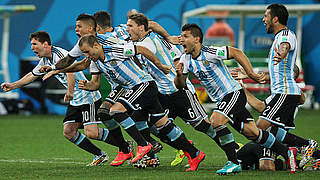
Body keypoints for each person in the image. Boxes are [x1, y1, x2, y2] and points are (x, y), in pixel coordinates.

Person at [175, 23, 297, 175]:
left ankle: (233, 162)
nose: (181, 39)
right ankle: (288, 153)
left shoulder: (210, 52)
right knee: (253, 133)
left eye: (186, 36)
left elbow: (237, 53)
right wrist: (179, 75)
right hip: (223, 100)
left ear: (197, 39)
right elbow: (180, 85)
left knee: (216, 120)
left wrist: (251, 74)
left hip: (234, 93)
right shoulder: (185, 59)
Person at [77, 34, 205, 171]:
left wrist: (160, 65)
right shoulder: (95, 61)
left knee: (115, 110)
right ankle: (194, 153)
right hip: (138, 89)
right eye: (84, 53)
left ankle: (143, 145)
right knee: (161, 125)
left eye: (87, 51)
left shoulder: (115, 50)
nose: (86, 55)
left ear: (96, 45)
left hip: (144, 85)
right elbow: (95, 84)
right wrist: (87, 86)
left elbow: (141, 49)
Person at [126, 13, 231, 168]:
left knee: (202, 126)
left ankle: (233, 149)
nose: (127, 29)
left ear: (142, 28)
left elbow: (143, 47)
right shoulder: (152, 36)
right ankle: (185, 150)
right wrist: (168, 38)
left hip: (180, 91)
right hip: (163, 94)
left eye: (130, 26)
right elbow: (153, 24)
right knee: (146, 121)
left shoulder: (147, 43)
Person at [1, 31, 114, 166]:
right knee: (69, 132)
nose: (32, 48)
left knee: (92, 133)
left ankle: (124, 146)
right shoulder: (45, 60)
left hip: (87, 95)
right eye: (31, 45)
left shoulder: (59, 54)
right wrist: (12, 86)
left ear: (46, 44)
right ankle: (100, 155)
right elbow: (32, 75)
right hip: (76, 100)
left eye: (34, 44)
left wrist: (70, 91)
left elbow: (69, 72)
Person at [257, 3, 318, 169]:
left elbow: (286, 46)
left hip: (284, 92)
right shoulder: (278, 37)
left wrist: (282, 51)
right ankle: (312, 151)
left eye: (266, 16)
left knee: (260, 127)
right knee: (272, 130)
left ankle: (297, 149)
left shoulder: (286, 34)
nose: (263, 20)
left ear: (275, 19)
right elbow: (281, 69)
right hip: (282, 92)